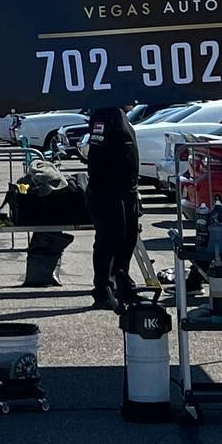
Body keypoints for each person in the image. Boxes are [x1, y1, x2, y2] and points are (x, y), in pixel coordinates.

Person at [84, 105, 141, 309]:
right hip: (108, 191)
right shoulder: (104, 114)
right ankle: (102, 289)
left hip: (128, 191)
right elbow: (96, 154)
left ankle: (122, 282)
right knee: (109, 239)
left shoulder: (120, 114)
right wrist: (100, 186)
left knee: (128, 237)